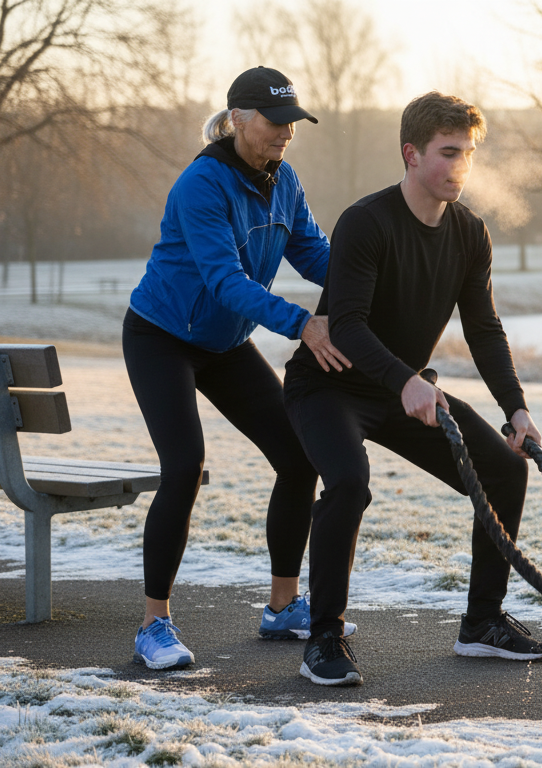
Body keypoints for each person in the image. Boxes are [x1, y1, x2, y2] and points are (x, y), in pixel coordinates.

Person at [284, 91, 542, 686]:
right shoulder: (366, 222)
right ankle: (324, 638)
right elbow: (347, 323)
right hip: (326, 386)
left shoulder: (468, 234)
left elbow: (484, 330)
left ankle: (482, 623)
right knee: (349, 483)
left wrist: (517, 410)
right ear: (411, 154)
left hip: (403, 390)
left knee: (507, 470)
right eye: (448, 152)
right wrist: (405, 378)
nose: (461, 166)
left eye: (469, 153)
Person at [123, 66, 355, 670]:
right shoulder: (202, 185)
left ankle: (282, 608)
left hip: (224, 344)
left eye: (292, 124)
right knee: (184, 466)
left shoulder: (286, 182)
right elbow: (225, 282)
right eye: (276, 123)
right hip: (162, 336)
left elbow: (313, 253)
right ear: (239, 120)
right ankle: (154, 624)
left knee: (298, 454)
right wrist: (303, 323)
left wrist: (367, 290)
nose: (286, 133)